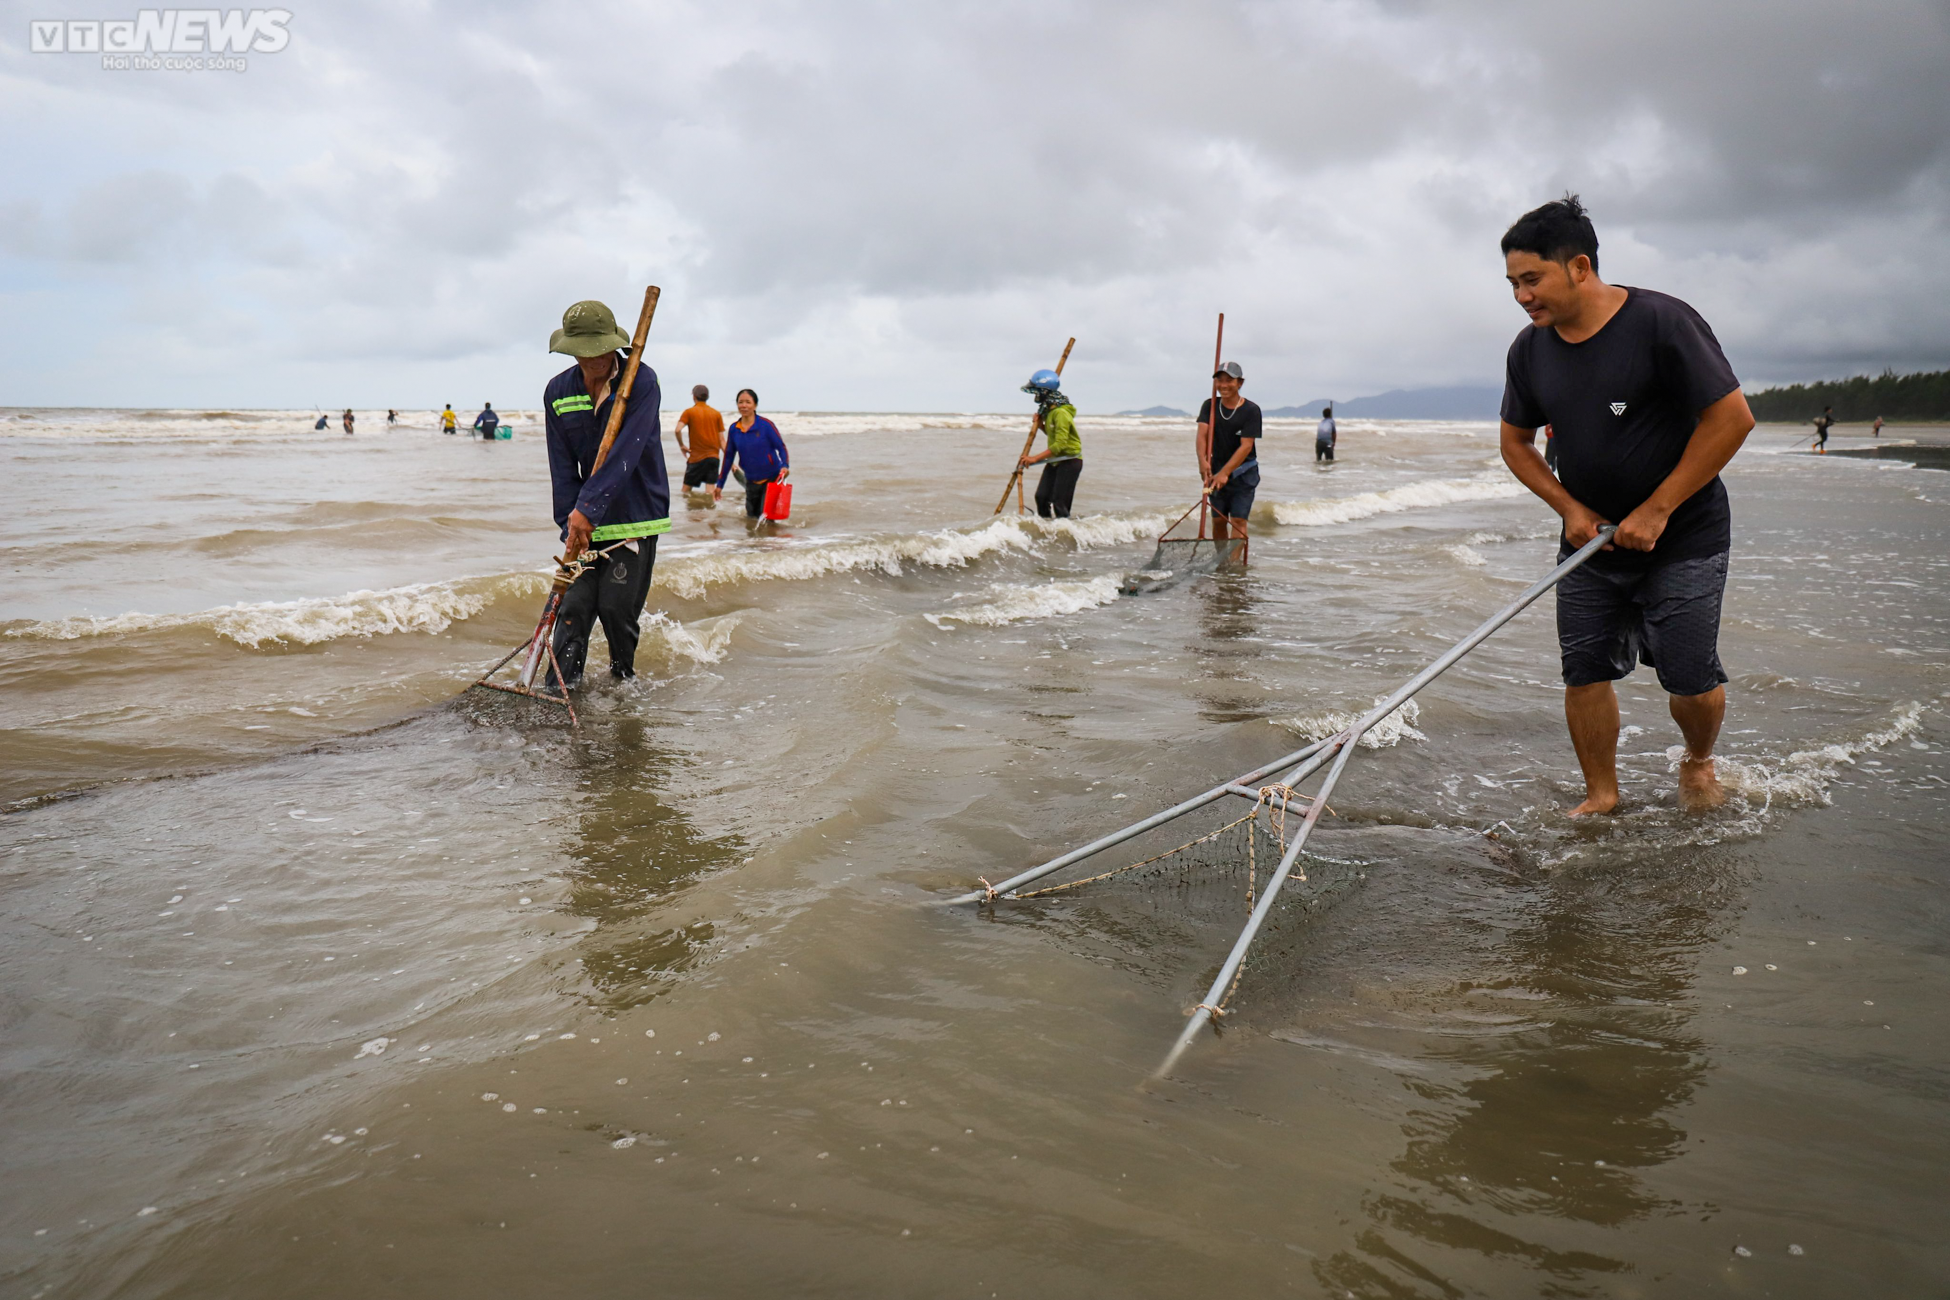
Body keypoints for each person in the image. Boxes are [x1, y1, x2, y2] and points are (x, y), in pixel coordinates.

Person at [1497, 194, 1754, 817]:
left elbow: (1731, 419)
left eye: (1532, 279)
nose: (1522, 296)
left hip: (1683, 534)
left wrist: (1658, 510)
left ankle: (1697, 761)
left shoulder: (1662, 323)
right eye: (1512, 283)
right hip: (1588, 541)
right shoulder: (1530, 349)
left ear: (1579, 266)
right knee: (1583, 671)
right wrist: (1568, 509)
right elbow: (1515, 442)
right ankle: (1602, 794)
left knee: (1690, 678)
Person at [542, 298, 670, 685]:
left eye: (602, 348)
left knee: (617, 610)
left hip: (634, 515)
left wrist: (590, 507)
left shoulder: (641, 382)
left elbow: (626, 453)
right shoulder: (557, 392)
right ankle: (559, 692)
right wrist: (571, 522)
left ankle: (623, 688)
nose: (596, 358)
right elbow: (561, 467)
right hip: (583, 522)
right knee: (572, 611)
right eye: (586, 350)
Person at [1195, 360, 1262, 540]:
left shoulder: (1251, 410)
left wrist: (1225, 473)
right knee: (1218, 521)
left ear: (1240, 383)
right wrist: (1202, 461)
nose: (1223, 385)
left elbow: (1246, 446)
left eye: (1229, 380)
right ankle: (1222, 563)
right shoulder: (1209, 406)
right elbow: (1202, 435)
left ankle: (1233, 565)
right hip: (1215, 469)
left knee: (1238, 521)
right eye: (1219, 380)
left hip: (1243, 473)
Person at [714, 389, 790, 519]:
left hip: (771, 480)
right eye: (740, 402)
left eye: (748, 402)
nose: (744, 405)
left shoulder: (766, 425)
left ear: (755, 405)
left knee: (766, 519)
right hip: (751, 481)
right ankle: (755, 541)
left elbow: (781, 447)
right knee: (751, 519)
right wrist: (720, 485)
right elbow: (728, 457)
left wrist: (785, 466)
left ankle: (773, 539)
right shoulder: (734, 429)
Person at [1017, 368, 1082, 518]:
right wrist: (1041, 426)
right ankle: (1048, 532)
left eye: (1037, 391)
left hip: (1069, 460)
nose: (1035, 395)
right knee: (1041, 497)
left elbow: (1060, 445)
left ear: (1044, 391)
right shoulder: (1051, 411)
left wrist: (1034, 458)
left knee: (1059, 503)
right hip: (1056, 460)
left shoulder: (1060, 413)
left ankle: (1065, 534)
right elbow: (1054, 435)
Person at [674, 384, 725, 497]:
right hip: (713, 458)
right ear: (707, 397)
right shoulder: (716, 414)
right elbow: (722, 441)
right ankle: (710, 514)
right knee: (710, 492)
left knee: (685, 492)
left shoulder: (689, 412)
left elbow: (678, 430)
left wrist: (682, 445)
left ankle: (687, 514)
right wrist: (729, 460)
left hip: (696, 458)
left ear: (694, 396)